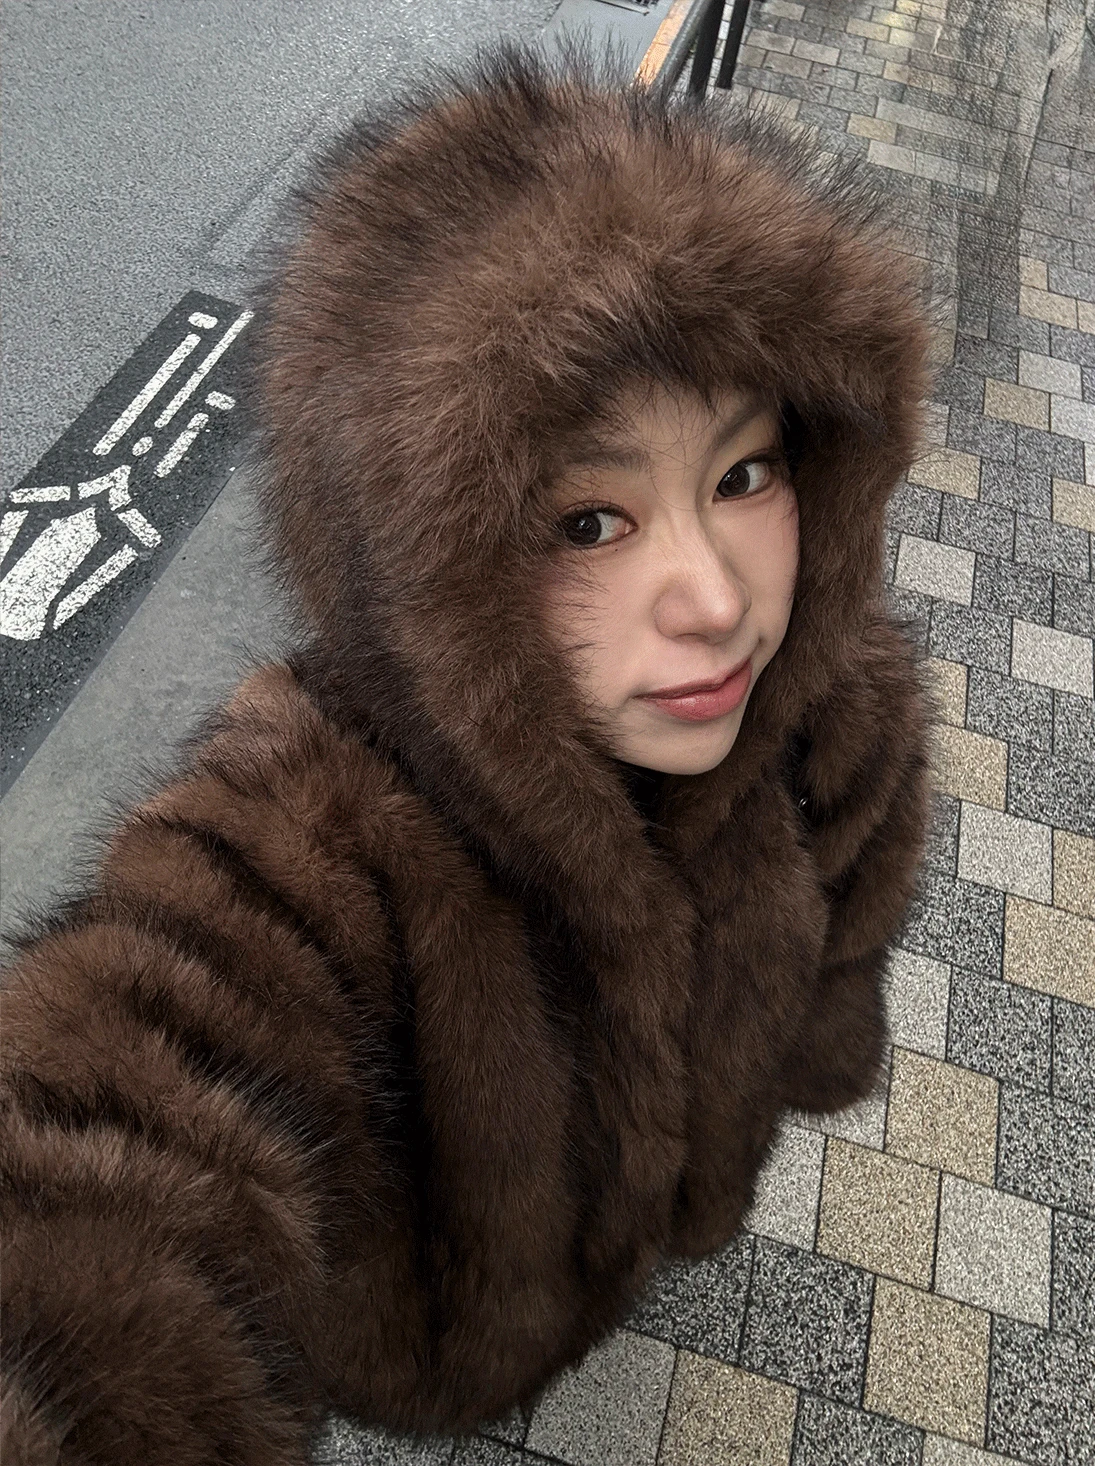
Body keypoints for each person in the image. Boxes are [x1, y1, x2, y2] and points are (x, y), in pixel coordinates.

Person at [1, 38, 935, 1464]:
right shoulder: (309, 838)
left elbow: (843, 954)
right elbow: (105, 1170)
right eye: (588, 522)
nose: (715, 599)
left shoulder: (832, 713)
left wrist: (809, 1035)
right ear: (428, 577)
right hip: (432, 1356)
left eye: (744, 475)